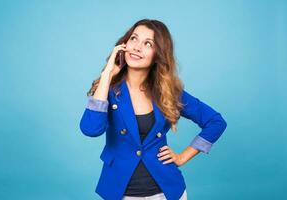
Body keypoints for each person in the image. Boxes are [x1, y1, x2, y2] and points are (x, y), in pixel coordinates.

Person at [79, 19, 227, 200]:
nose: (137, 47)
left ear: (158, 54)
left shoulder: (168, 92)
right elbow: (90, 129)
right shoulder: (107, 90)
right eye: (134, 39)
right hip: (120, 192)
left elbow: (215, 122)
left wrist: (182, 157)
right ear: (124, 44)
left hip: (167, 192)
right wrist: (107, 75)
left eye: (148, 43)